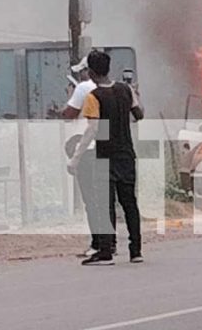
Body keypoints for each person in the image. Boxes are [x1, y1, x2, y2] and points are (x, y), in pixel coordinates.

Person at [67, 51, 145, 266]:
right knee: (130, 203)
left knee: (105, 204)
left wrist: (75, 158)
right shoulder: (125, 90)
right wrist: (135, 95)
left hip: (105, 155)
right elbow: (139, 115)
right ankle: (136, 250)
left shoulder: (94, 97)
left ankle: (105, 251)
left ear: (91, 73)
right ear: (108, 68)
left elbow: (92, 130)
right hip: (126, 154)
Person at [61, 56, 117, 258]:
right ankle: (110, 242)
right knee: (105, 198)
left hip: (87, 150)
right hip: (107, 149)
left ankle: (98, 242)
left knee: (91, 200)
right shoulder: (114, 88)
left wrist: (70, 96)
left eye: (82, 71)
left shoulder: (83, 88)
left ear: (89, 71)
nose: (80, 75)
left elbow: (69, 114)